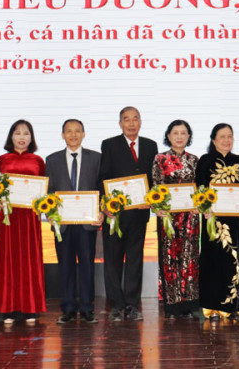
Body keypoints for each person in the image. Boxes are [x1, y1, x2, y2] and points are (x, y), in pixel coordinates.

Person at [98, 106, 158, 321]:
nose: (131, 123)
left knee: (135, 260)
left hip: (139, 214)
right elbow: (103, 176)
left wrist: (150, 199)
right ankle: (116, 305)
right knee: (113, 261)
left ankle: (132, 304)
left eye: (135, 119)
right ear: (120, 123)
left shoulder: (151, 145)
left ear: (140, 122)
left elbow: (153, 178)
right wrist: (104, 204)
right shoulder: (109, 144)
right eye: (126, 119)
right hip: (115, 214)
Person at [47, 119, 103, 324]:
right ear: (63, 135)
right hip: (62, 224)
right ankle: (68, 308)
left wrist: (101, 211)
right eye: (68, 131)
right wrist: (50, 211)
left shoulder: (96, 158)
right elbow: (49, 190)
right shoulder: (52, 159)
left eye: (77, 131)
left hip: (87, 223)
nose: (73, 135)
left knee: (87, 266)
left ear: (83, 134)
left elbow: (102, 188)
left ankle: (87, 308)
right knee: (65, 266)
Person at [196, 123, 239, 320]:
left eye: (230, 136)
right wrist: (204, 207)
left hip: (236, 220)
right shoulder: (205, 160)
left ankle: (234, 306)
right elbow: (199, 188)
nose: (226, 140)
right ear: (214, 140)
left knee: (235, 260)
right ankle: (212, 307)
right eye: (222, 136)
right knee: (214, 261)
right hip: (213, 219)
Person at [0, 120, 47, 324]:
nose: (22, 137)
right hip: (7, 217)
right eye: (17, 133)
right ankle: (8, 308)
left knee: (29, 259)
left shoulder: (38, 161)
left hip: (30, 218)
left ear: (31, 138)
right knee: (8, 259)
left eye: (26, 133)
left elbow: (43, 191)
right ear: (11, 137)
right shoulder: (1, 160)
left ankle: (30, 307)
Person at [151, 120, 201, 319]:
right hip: (168, 218)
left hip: (191, 217)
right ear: (168, 136)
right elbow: (156, 187)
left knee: (190, 259)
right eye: (175, 133)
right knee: (170, 259)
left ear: (189, 136)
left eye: (183, 133)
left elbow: (200, 189)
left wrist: (200, 204)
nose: (179, 137)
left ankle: (189, 303)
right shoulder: (160, 159)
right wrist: (157, 207)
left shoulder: (195, 160)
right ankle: (172, 305)